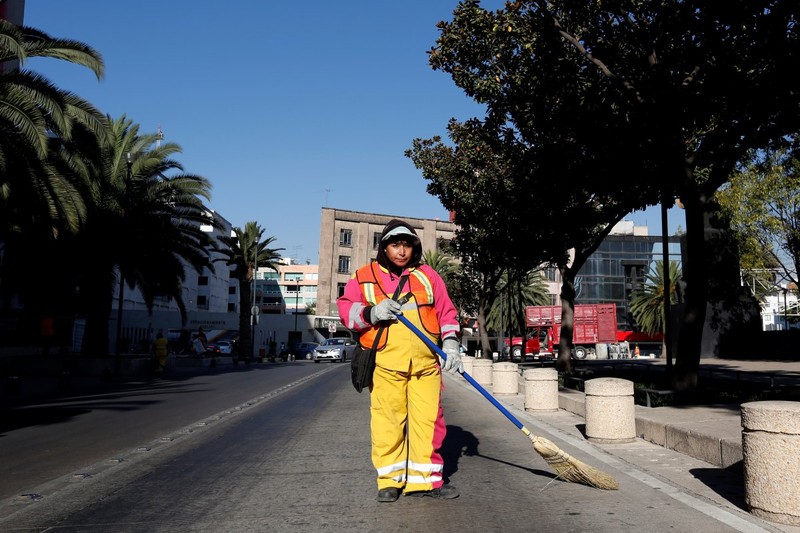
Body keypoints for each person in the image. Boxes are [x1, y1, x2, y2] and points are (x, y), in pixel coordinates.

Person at [337, 219, 463, 503]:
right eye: (395, 245)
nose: (402, 251)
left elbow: (446, 312)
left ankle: (428, 480)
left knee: (429, 423)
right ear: (385, 247)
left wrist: (452, 343)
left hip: (425, 365)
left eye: (407, 245)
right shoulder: (363, 276)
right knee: (387, 423)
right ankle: (389, 481)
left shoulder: (429, 276)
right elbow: (346, 310)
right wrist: (372, 312)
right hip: (385, 365)